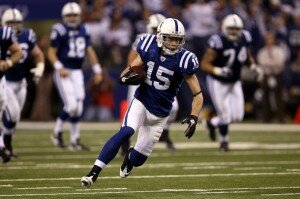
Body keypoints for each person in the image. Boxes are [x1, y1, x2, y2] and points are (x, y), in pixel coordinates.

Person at [81, 18, 203, 188]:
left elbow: (197, 94)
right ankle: (93, 172)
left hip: (160, 114)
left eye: (177, 39)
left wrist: (193, 117)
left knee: (138, 160)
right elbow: (131, 68)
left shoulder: (185, 59)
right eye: (170, 38)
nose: (174, 43)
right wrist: (126, 77)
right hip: (142, 102)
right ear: (161, 36)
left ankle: (129, 159)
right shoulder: (147, 45)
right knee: (126, 131)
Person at [201, 14, 263, 151]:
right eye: (231, 29)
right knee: (225, 115)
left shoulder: (245, 37)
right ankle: (224, 142)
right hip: (218, 81)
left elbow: (246, 54)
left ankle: (211, 123)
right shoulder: (218, 41)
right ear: (224, 28)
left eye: (236, 29)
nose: (234, 32)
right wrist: (218, 71)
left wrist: (253, 66)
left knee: (238, 116)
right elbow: (204, 64)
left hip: (234, 81)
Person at [48, 2, 103, 150]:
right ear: (64, 17)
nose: (72, 18)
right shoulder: (59, 29)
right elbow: (51, 52)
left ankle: (75, 140)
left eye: (74, 15)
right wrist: (59, 67)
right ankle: (56, 132)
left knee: (78, 108)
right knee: (71, 105)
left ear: (79, 16)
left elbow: (89, 51)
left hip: (77, 71)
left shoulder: (84, 29)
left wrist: (97, 70)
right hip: (64, 71)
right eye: (69, 15)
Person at [122, 13, 178, 155]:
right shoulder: (143, 39)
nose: (156, 32)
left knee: (174, 107)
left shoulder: (169, 41)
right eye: (154, 28)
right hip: (141, 79)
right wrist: (137, 72)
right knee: (132, 113)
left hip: (159, 80)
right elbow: (131, 60)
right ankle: (125, 142)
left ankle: (164, 132)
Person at [1, 8, 45, 158]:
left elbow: (38, 53)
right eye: (10, 23)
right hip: (4, 80)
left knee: (15, 117)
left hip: (20, 81)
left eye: (16, 22)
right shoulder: (3, 35)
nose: (13, 26)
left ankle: (6, 144)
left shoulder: (27, 35)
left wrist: (40, 67)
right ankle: (4, 145)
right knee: (12, 114)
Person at [0, 25, 23, 162]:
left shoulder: (4, 33)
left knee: (7, 112)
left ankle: (3, 145)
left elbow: (18, 52)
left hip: (2, 78)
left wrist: (8, 62)